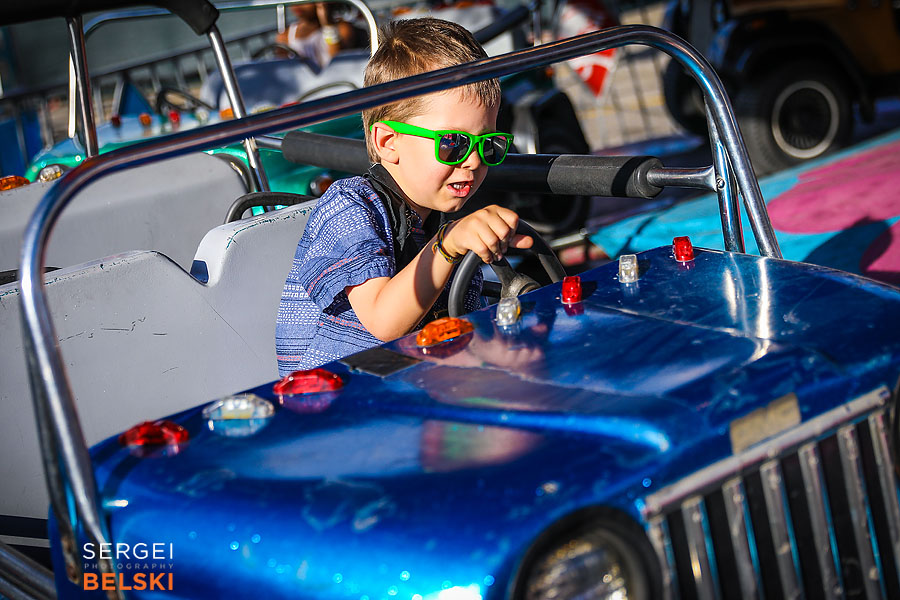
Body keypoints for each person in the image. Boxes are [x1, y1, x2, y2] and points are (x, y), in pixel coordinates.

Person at [275, 17, 532, 374]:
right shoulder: (348, 208)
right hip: (337, 400)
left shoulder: (439, 219)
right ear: (388, 142)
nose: (473, 161)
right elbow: (383, 321)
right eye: (452, 143)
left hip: (418, 382)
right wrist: (447, 244)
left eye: (488, 145)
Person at [275, 3, 359, 69]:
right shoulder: (285, 35)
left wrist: (328, 25)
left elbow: (337, 62)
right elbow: (282, 70)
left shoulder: (343, 28)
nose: (298, 4)